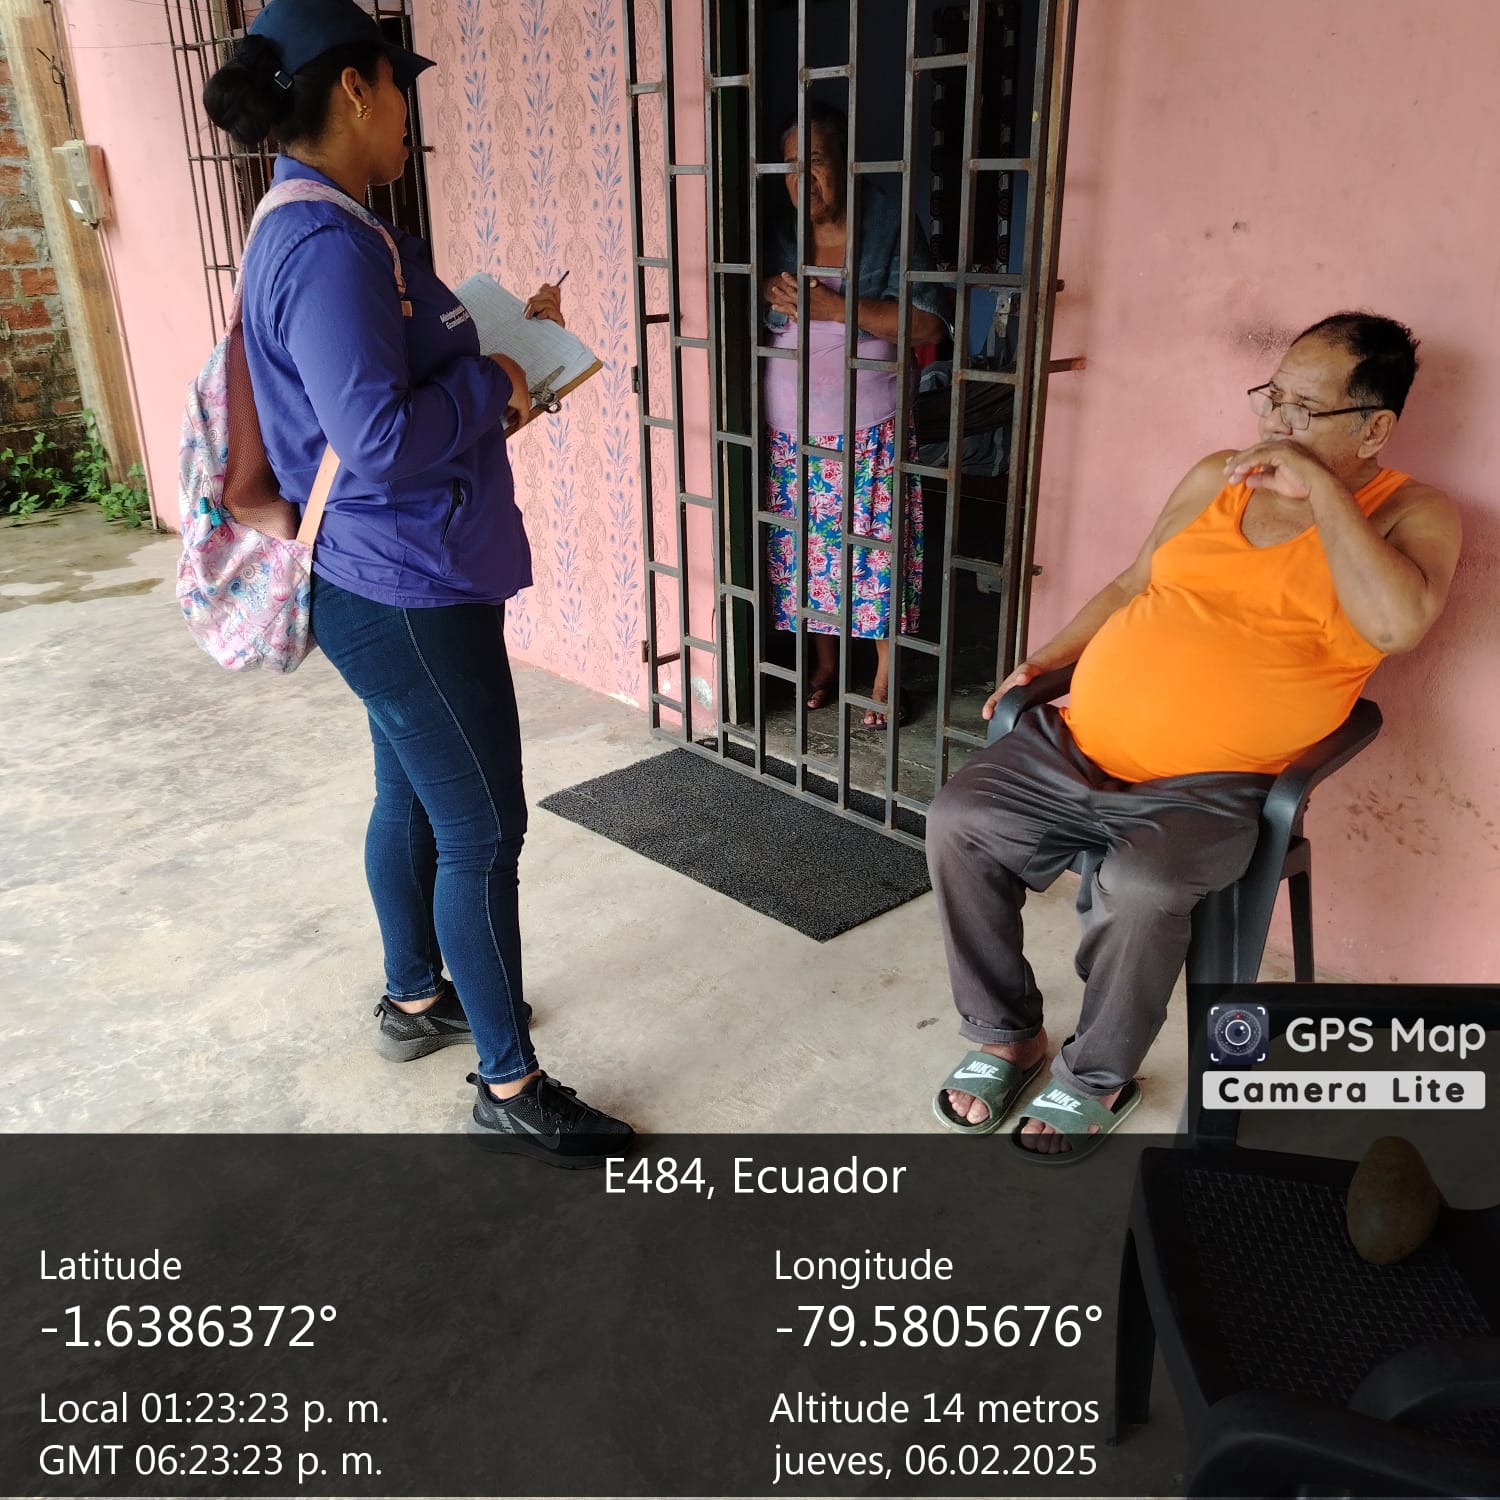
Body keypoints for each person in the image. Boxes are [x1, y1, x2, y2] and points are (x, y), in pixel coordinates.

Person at [203, 0, 631, 1166]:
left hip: (391, 569)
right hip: (404, 585)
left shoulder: (319, 223)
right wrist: (495, 380)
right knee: (482, 825)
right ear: (355, 88)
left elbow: (383, 399)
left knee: (413, 793)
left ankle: (416, 997)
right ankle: (509, 1084)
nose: (406, 110)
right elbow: (380, 439)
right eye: (398, 85)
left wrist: (502, 354)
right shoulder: (330, 246)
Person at [925, 312, 1461, 1160]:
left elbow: (1398, 626)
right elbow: (1134, 582)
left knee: (1142, 887)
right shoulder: (1219, 475)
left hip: (1214, 787)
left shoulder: (1412, 514)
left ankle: (1097, 1077)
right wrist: (1047, 660)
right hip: (1077, 744)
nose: (1274, 423)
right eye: (1272, 398)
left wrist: (1323, 490)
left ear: (1374, 428)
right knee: (958, 821)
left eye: (1303, 410)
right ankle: (1006, 1034)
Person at [762, 102, 949, 728]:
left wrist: (837, 309)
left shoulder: (890, 222)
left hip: (872, 426)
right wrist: (768, 291)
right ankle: (825, 664)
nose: (802, 179)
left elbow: (930, 324)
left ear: (846, 164)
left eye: (814, 161)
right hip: (790, 427)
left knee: (877, 552)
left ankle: (886, 678)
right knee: (808, 551)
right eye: (791, 167)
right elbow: (752, 299)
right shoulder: (778, 229)